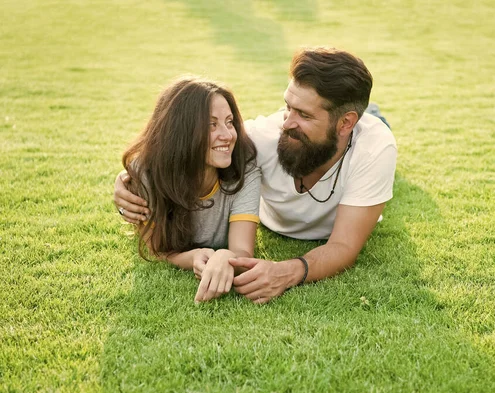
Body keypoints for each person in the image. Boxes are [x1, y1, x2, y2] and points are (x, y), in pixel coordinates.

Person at [114, 47, 397, 304]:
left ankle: (373, 114)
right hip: (283, 213)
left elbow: (344, 246)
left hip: (362, 145)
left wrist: (284, 272)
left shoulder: (374, 148)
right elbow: (186, 144)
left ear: (347, 122)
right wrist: (130, 180)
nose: (287, 123)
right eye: (288, 107)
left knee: (377, 130)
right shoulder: (258, 139)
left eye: (304, 114)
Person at [120, 76, 261, 303]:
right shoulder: (146, 174)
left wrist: (226, 256)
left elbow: (243, 251)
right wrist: (192, 257)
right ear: (182, 132)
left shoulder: (245, 171)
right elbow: (156, 248)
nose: (227, 135)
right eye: (211, 125)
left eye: (229, 122)